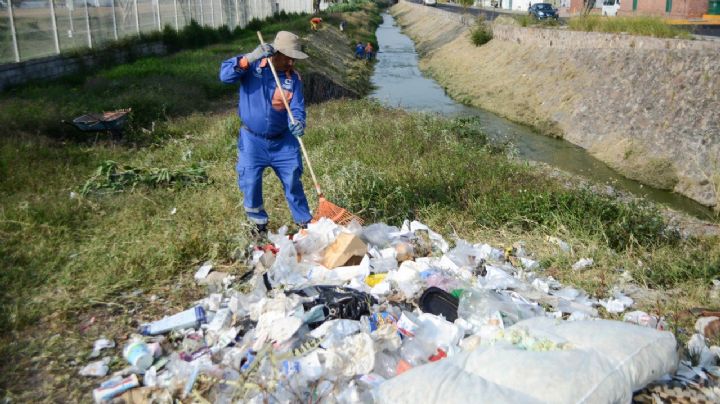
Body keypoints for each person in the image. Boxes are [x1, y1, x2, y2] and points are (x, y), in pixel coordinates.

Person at [219, 31, 312, 236]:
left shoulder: (293, 78)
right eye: (287, 57)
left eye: (294, 58)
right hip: (253, 141)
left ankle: (305, 225)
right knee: (250, 181)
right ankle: (258, 226)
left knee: (293, 180)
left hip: (283, 141)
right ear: (275, 52)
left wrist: (298, 122)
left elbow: (296, 107)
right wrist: (250, 57)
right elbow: (225, 76)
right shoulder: (253, 67)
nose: (291, 62)